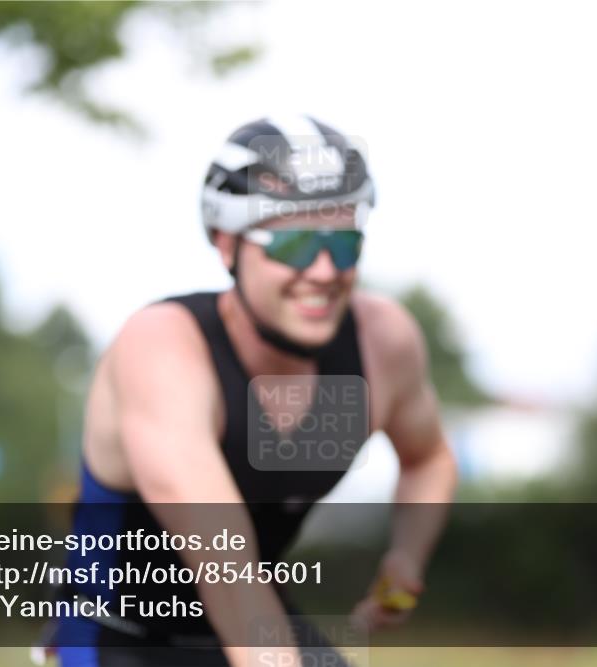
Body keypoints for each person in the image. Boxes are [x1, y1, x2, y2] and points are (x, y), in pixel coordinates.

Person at [54, 114, 458, 667]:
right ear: (227, 244)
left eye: (343, 243)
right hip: (120, 635)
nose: (322, 270)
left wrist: (405, 562)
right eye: (292, 244)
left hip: (259, 612)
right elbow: (228, 572)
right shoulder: (164, 348)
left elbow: (428, 456)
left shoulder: (382, 342)